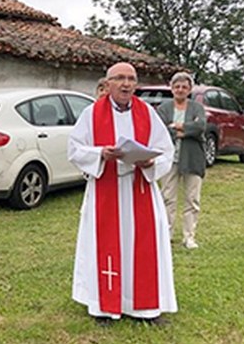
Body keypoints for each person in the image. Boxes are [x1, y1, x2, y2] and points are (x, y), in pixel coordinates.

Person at [67, 62, 177, 325]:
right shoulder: (91, 114)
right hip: (106, 189)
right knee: (104, 247)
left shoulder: (147, 113)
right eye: (120, 78)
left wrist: (150, 162)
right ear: (107, 84)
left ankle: (145, 308)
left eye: (131, 79)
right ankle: (104, 307)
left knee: (144, 247)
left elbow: (166, 150)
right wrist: (100, 154)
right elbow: (75, 149)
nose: (126, 84)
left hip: (140, 189)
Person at [156, 72, 207, 249]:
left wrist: (178, 127)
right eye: (177, 86)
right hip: (169, 159)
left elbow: (200, 127)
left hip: (192, 158)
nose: (180, 90)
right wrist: (187, 131)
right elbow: (161, 130)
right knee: (167, 197)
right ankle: (166, 234)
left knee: (192, 199)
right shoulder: (164, 108)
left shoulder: (197, 108)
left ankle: (189, 236)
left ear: (190, 89)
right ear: (171, 88)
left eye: (184, 87)